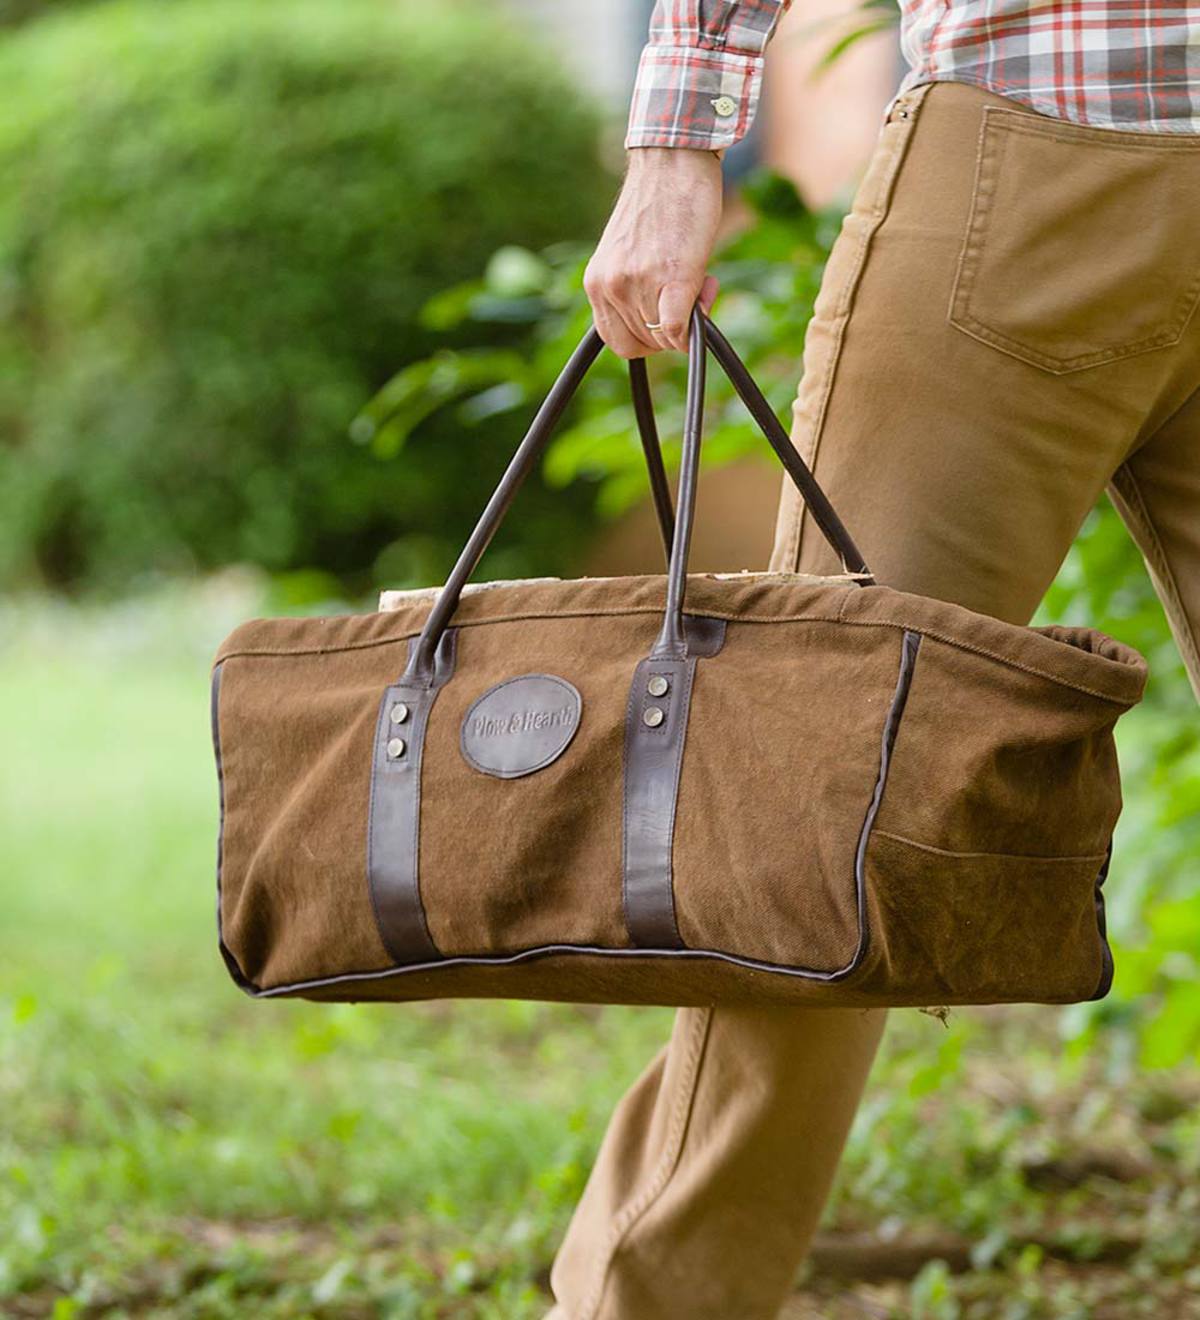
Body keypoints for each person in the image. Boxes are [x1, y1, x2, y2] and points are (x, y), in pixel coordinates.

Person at [550, 2, 1200, 1316]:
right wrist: (680, 143)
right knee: (834, 791)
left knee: (829, 793)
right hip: (1030, 142)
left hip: (1033, 157)